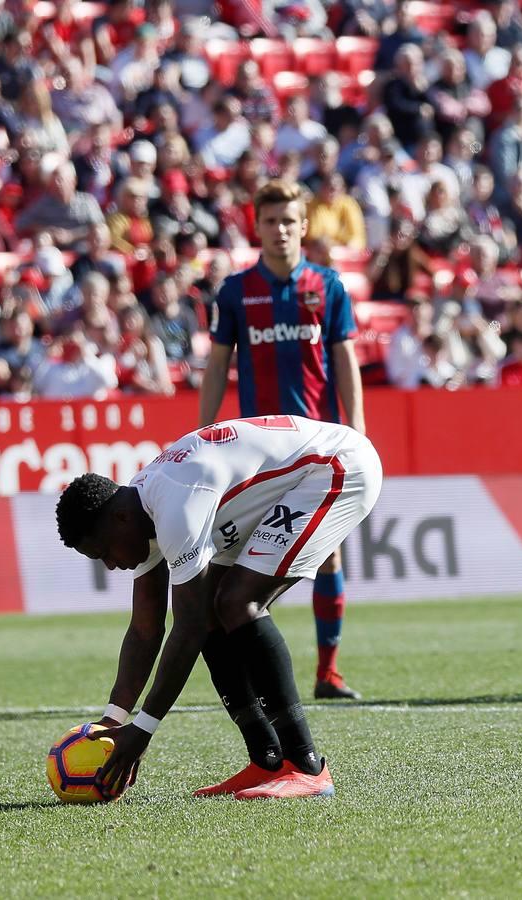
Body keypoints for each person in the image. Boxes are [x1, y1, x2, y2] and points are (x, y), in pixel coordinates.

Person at [55, 415, 382, 799]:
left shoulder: (175, 506)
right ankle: (267, 760)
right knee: (216, 608)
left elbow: (187, 627)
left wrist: (143, 728)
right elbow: (146, 628)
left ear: (120, 518)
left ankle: (308, 766)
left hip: (336, 467)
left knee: (237, 603)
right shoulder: (138, 513)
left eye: (104, 552)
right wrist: (112, 721)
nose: (110, 564)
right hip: (295, 478)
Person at [198, 179, 366, 701]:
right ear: (258, 226)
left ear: (303, 225)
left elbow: (343, 356)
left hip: (321, 445)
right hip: (260, 452)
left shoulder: (328, 286)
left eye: (289, 220)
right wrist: (204, 432)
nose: (280, 230)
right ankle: (254, 668)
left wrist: (356, 425)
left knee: (329, 557)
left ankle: (328, 672)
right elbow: (218, 364)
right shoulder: (236, 292)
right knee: (244, 562)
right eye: (270, 221)